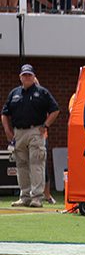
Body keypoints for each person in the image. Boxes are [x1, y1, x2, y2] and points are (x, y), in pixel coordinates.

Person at [2, 64, 59, 208]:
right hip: (18, 133)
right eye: (24, 75)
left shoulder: (42, 92)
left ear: (34, 77)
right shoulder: (14, 93)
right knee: (21, 165)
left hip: (36, 131)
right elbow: (4, 113)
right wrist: (8, 131)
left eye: (29, 75)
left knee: (36, 163)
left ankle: (37, 197)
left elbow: (55, 109)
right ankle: (25, 197)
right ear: (20, 77)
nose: (27, 77)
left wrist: (46, 125)